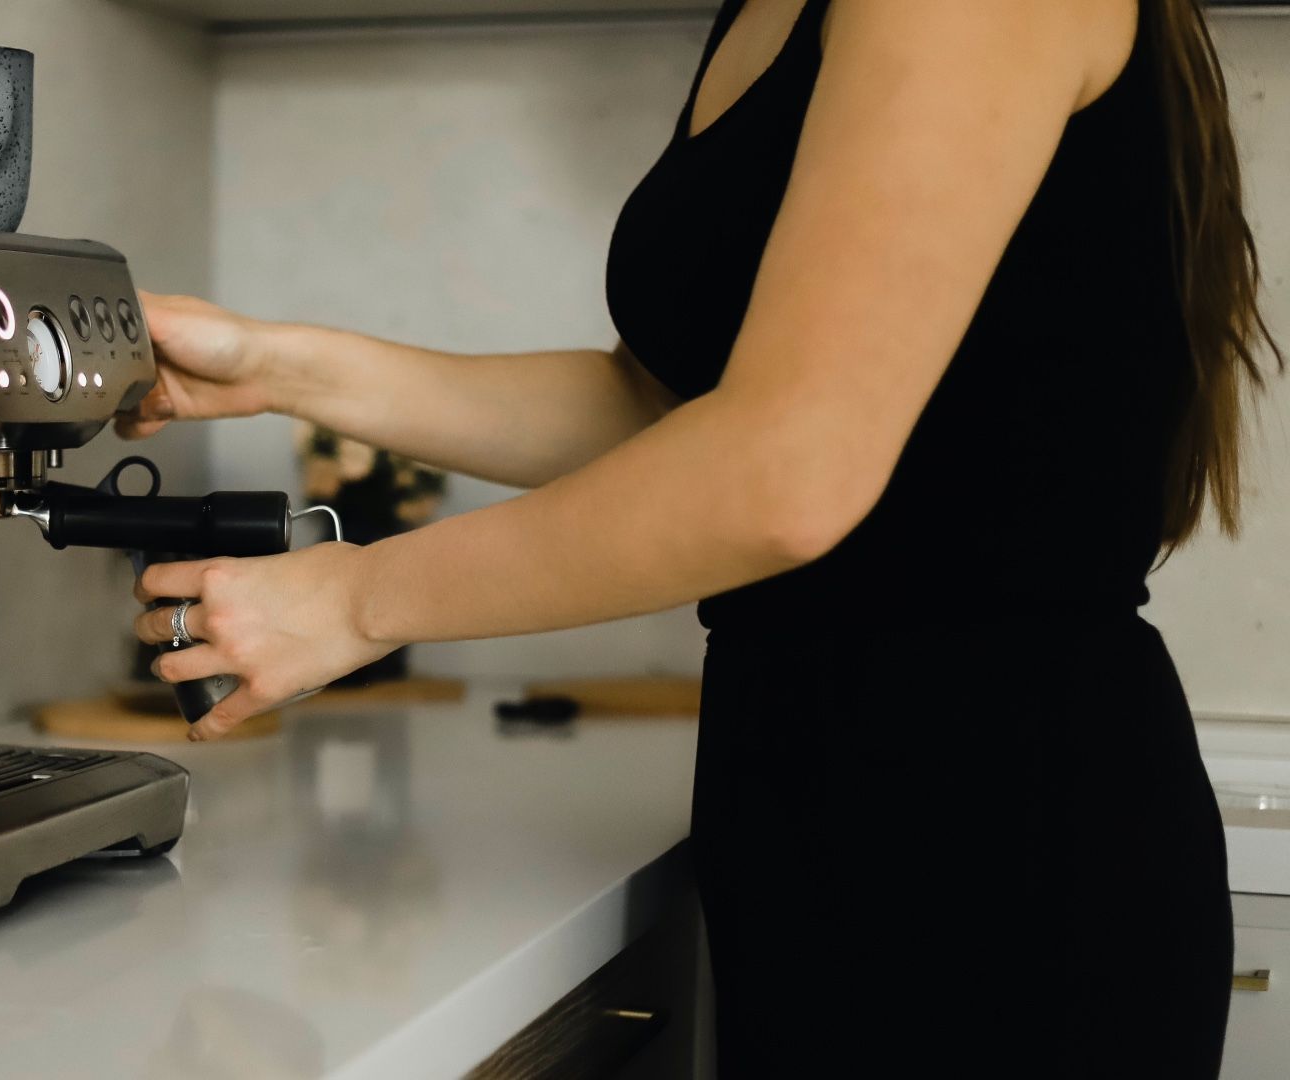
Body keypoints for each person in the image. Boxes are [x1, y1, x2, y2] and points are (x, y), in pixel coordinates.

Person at [122, 0, 1276, 1073]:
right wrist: (282, 368)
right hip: (822, 797)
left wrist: (353, 603)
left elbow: (784, 475)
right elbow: (678, 416)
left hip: (997, 839)